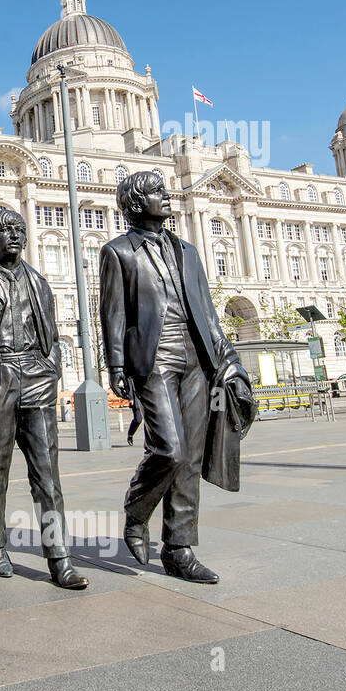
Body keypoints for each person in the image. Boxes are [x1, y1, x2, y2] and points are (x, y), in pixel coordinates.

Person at [99, 171, 252, 584]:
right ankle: (137, 509)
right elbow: (113, 315)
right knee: (170, 449)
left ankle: (179, 548)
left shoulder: (188, 251)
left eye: (165, 191)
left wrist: (229, 360)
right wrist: (116, 367)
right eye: (155, 193)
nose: (166, 197)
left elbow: (207, 312)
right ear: (134, 203)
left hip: (196, 355)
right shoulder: (118, 252)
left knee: (191, 457)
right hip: (153, 357)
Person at [0, 208, 87, 589]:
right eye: (6, 231)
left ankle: (60, 558)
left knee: (47, 474)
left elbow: (52, 335)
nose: (15, 236)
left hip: (37, 377)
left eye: (19, 230)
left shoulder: (38, 282)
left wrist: (51, 367)